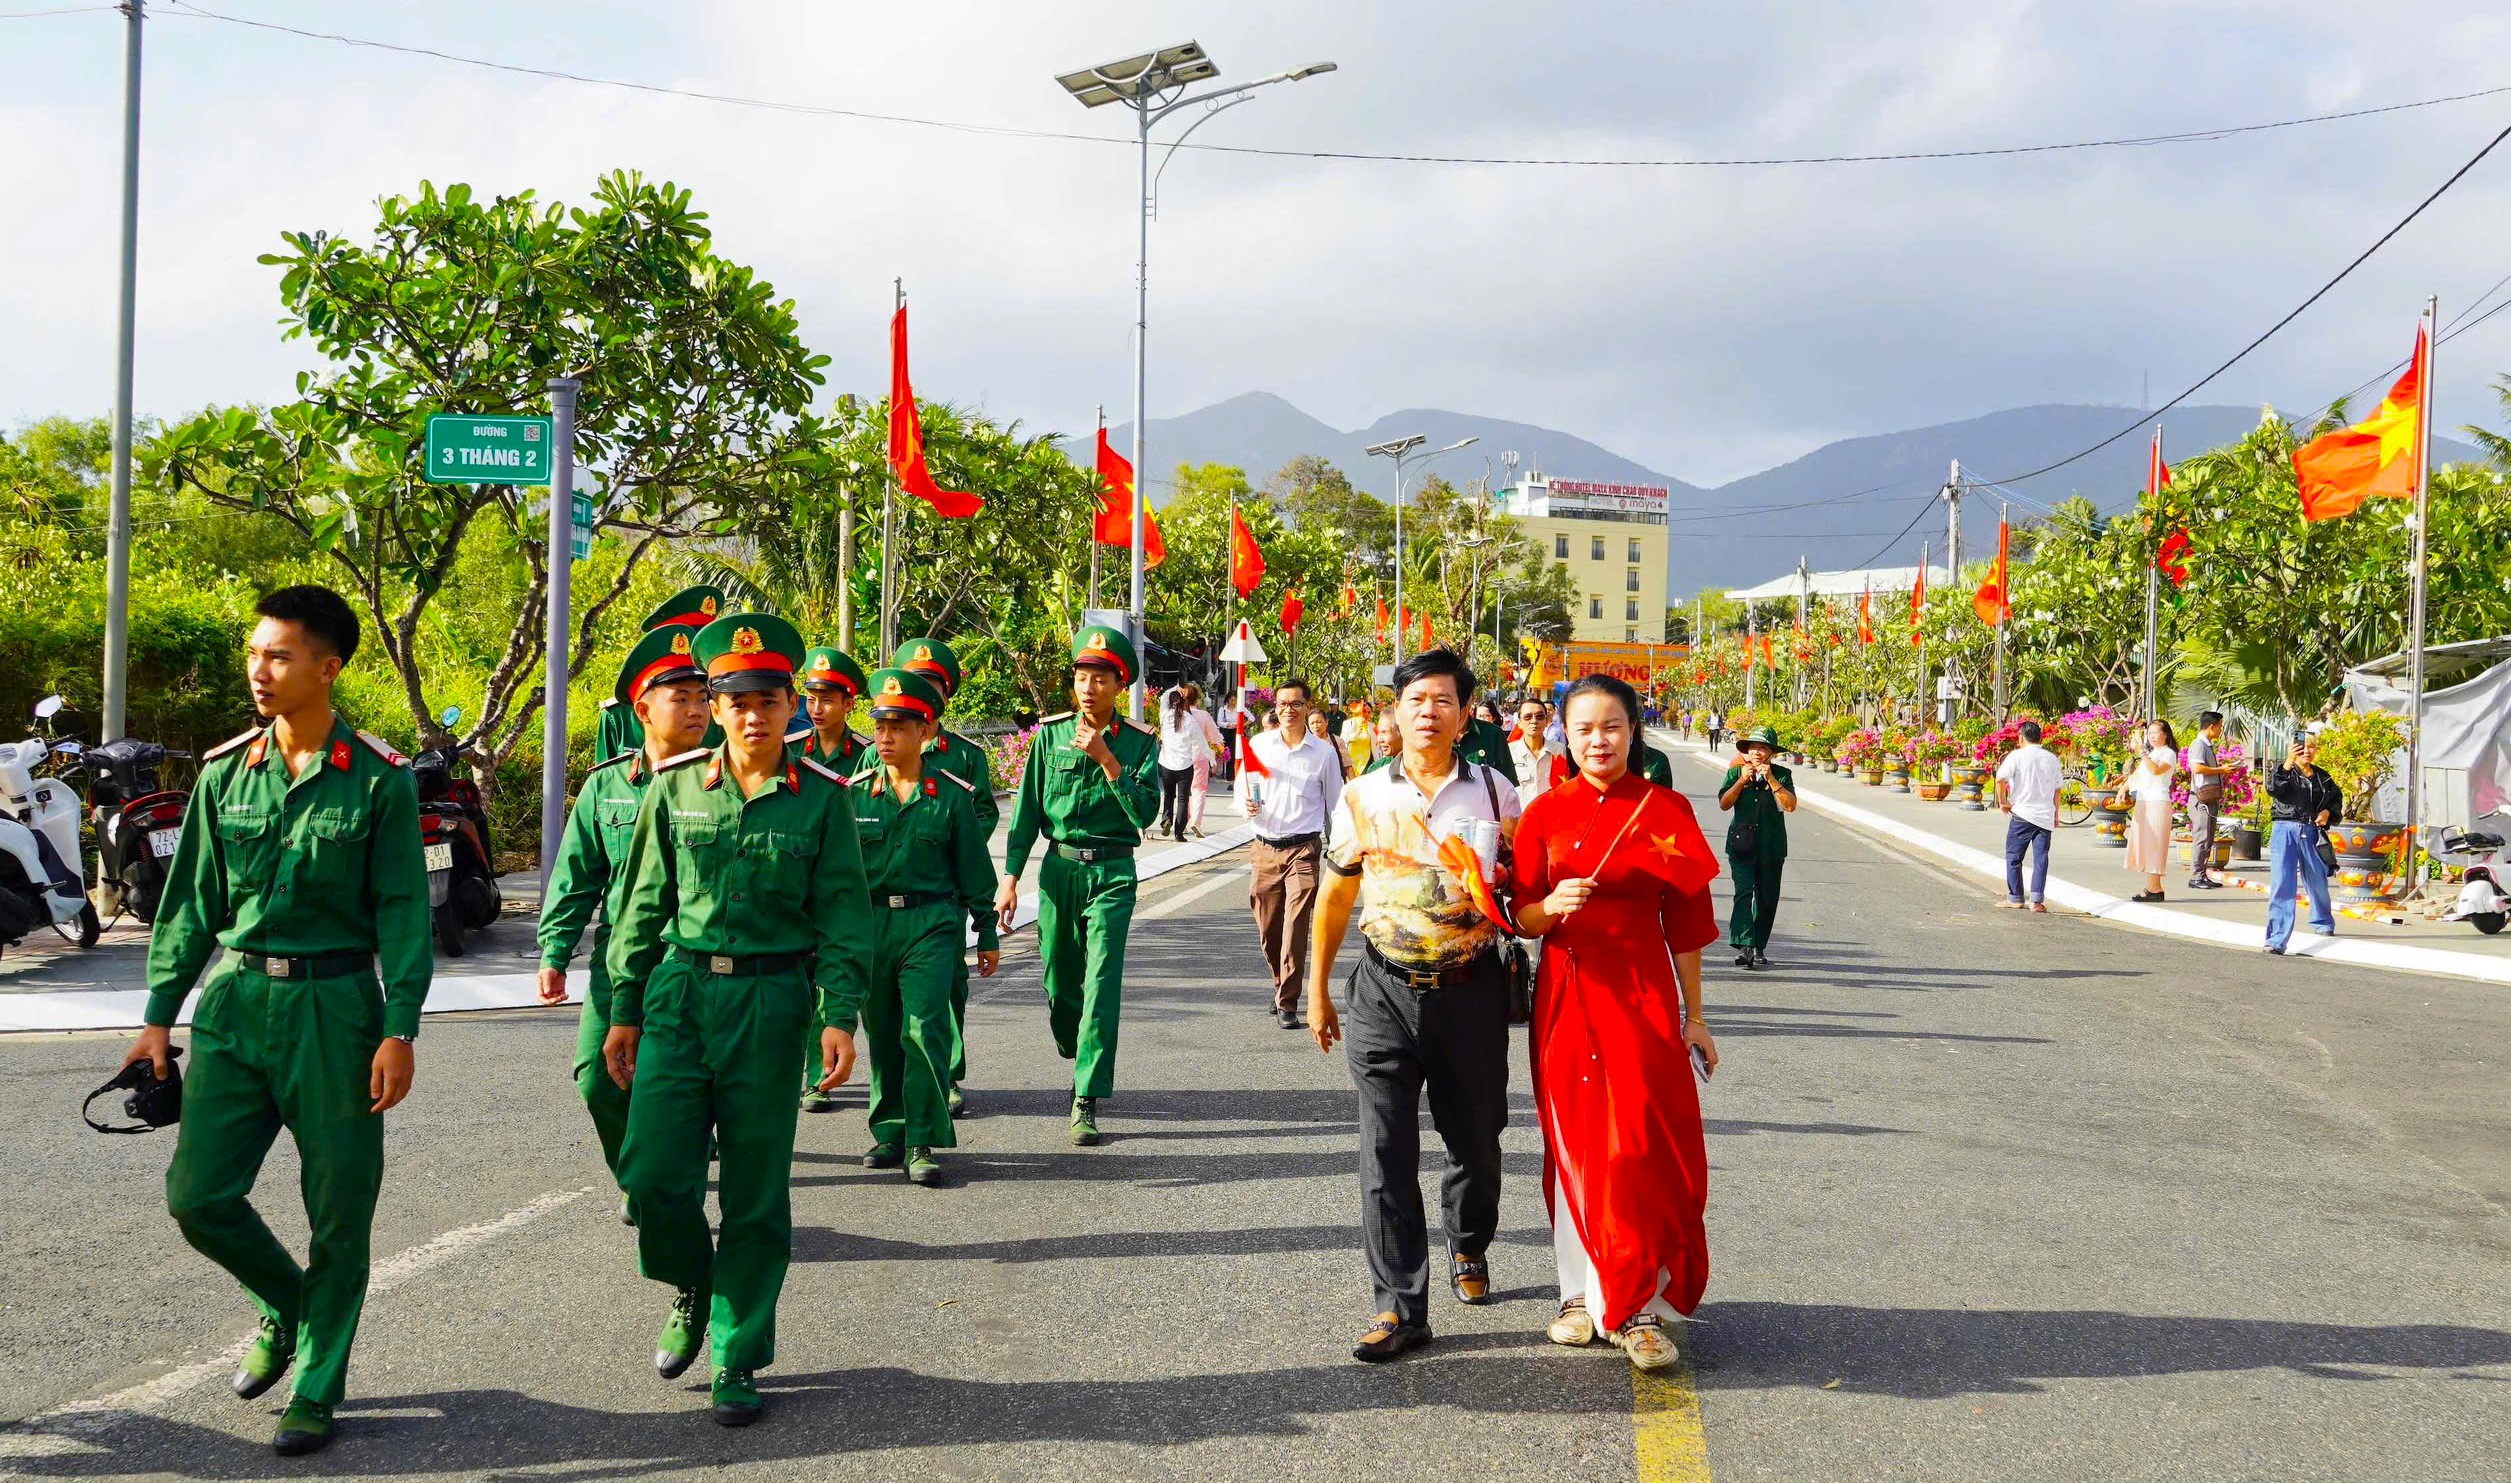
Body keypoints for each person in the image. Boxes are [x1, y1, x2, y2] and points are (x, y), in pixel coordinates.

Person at [120, 584, 431, 1456]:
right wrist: (157, 1018)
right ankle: (289, 1304)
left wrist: (399, 1027)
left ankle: (318, 1384)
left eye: (280, 655)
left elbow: (405, 911)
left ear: (327, 668)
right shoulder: (225, 773)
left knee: (338, 1207)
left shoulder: (379, 780)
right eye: (255, 652)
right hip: (234, 1003)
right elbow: (189, 907)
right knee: (198, 1196)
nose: (260, 670)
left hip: (337, 1009)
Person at [602, 611, 872, 1428]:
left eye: (767, 696)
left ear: (792, 703)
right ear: (714, 706)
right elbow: (643, 902)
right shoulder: (676, 785)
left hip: (770, 1000)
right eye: (733, 698)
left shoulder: (822, 801)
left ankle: (736, 1352)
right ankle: (694, 1278)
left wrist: (839, 1014)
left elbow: (841, 913)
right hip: (680, 995)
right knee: (651, 1174)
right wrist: (621, 1007)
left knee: (755, 1190)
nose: (751, 712)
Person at [1306, 646, 1521, 1363]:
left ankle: (1468, 1241)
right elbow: (1335, 895)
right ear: (1392, 712)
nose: (1427, 712)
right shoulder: (1364, 794)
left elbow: (1521, 890)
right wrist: (1315, 990)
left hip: (1471, 990)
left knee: (1477, 1141)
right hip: (1381, 989)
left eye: (1442, 701)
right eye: (1414, 699)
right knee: (1383, 1150)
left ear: (1463, 715)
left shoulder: (1495, 792)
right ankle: (1398, 1307)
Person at [1511, 674, 1720, 1371]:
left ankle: (1636, 1304)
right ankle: (1579, 1293)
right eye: (1583, 728)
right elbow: (1520, 915)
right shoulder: (1543, 812)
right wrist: (1552, 905)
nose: (1596, 739)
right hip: (1569, 993)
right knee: (1575, 1142)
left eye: (1611, 726)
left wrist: (1694, 1016)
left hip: (1644, 995)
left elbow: (1685, 922)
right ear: (1561, 735)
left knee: (1640, 1145)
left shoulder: (1666, 809)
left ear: (1633, 731)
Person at [539, 625, 711, 1209]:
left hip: (690, 959)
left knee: (679, 1090)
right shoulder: (606, 786)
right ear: (642, 708)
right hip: (619, 956)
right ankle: (639, 1179)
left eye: (703, 697)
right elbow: (576, 875)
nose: (696, 709)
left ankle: (669, 1198)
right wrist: (554, 953)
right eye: (680, 697)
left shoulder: (720, 783)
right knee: (598, 1078)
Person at [997, 624, 1163, 1147]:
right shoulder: (1049, 736)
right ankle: (1075, 1045)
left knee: (1100, 986)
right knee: (1060, 985)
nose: (1088, 687)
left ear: (1120, 684)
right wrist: (1010, 879)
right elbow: (1025, 814)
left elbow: (1146, 813)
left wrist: (1107, 760)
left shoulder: (1138, 744)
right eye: (1081, 676)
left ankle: (1086, 1095)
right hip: (1059, 871)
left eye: (1100, 678)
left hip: (1113, 871)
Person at [841, 667, 1000, 1187]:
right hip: (872, 926)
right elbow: (835, 874)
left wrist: (987, 931)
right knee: (883, 1030)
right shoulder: (855, 795)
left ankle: (921, 1138)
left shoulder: (950, 795)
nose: (885, 737)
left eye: (899, 727)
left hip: (932, 924)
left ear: (925, 731)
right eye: (880, 726)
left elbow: (975, 870)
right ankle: (888, 1130)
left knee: (924, 1026)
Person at [896, 638, 999, 1119]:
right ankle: (902, 1083)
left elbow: (982, 812)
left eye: (932, 684)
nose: (923, 689)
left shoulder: (964, 755)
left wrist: (951, 847)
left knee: (948, 983)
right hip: (894, 892)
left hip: (948, 888)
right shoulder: (880, 748)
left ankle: (949, 1072)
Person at [790, 645, 869, 1116]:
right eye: (811, 698)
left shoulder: (864, 756)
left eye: (828, 698)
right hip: (801, 882)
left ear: (848, 704)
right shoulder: (792, 750)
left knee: (833, 979)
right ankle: (808, 1077)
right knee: (800, 979)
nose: (817, 708)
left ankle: (828, 1065)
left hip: (844, 881)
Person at [1245, 679, 1346, 1030]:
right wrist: (1246, 806)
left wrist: (1344, 847)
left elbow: (1337, 803)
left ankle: (1288, 1001)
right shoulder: (1259, 745)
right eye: (1283, 704)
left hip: (1304, 849)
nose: (1289, 710)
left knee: (1295, 926)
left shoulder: (1323, 753)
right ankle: (1279, 984)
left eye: (1296, 704)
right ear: (1276, 706)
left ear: (1307, 707)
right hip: (1264, 847)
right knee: (1269, 930)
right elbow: (1243, 793)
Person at [596, 585, 725, 760]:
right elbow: (607, 781)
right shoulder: (618, 715)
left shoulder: (721, 709)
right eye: (685, 644)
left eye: (702, 647)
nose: (694, 656)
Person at [1716, 725, 1796, 969]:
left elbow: (1790, 805)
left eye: (1762, 748)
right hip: (1741, 846)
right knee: (1743, 892)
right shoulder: (1735, 774)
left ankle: (1758, 943)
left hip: (1771, 847)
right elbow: (1724, 803)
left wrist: (1771, 779)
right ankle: (1743, 945)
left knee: (1767, 897)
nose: (1757, 753)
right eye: (1753, 748)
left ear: (1771, 753)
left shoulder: (1782, 775)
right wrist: (1742, 781)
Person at [2263, 731, 2342, 954]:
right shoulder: (2284, 772)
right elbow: (2273, 789)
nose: (2306, 751)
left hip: (2311, 831)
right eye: (2302, 746)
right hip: (2284, 830)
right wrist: (2287, 763)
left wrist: (2327, 812)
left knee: (2317, 879)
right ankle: (2277, 939)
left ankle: (2323, 920)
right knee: (2282, 884)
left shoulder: (2323, 777)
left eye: (2311, 746)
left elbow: (2336, 800)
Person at [1994, 718, 2063, 912]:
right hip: (2045, 815)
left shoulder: (2017, 756)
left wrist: (2003, 801)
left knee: (2014, 857)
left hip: (2022, 813)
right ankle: (2037, 900)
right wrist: (2056, 814)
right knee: (2041, 858)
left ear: (2021, 738)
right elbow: (2057, 790)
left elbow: (2000, 779)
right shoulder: (2051, 758)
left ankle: (2016, 897)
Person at [2124, 719, 2180, 902]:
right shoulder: (2152, 753)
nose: (2152, 736)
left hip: (2158, 802)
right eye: (2149, 733)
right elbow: (2137, 776)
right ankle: (2152, 887)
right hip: (2144, 802)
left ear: (2166, 734)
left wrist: (2141, 753)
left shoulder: (2168, 754)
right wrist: (2121, 789)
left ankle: (2154, 888)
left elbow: (2156, 771)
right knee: (2146, 845)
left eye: (2156, 732)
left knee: (2155, 845)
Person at [2186, 711, 2230, 889]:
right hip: (2200, 799)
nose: (2221, 730)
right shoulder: (2199, 745)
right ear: (2211, 726)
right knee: (2202, 837)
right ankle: (2196, 876)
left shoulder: (2207, 745)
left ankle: (2202, 875)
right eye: (2220, 726)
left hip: (2208, 798)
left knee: (2208, 837)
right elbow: (2196, 768)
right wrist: (2221, 770)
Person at [1156, 685, 1204, 842]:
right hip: (1185, 766)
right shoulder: (1190, 719)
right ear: (1184, 702)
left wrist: (1174, 688)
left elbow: (1163, 697)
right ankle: (1179, 834)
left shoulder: (1164, 715)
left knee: (1169, 795)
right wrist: (1211, 758)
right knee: (1184, 799)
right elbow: (1201, 742)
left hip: (1166, 764)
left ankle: (1166, 819)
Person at [1456, 680, 1521, 787]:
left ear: (1472, 697)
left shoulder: (1493, 734)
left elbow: (1508, 784)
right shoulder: (1432, 734)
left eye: (1463, 695)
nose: (1458, 702)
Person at [1182, 683, 1225, 837]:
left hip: (1180, 757)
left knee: (1182, 791)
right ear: (1198, 699)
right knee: (1199, 789)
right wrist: (1220, 747)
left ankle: (1182, 823)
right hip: (1200, 755)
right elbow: (1214, 736)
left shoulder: (1177, 714)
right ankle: (1196, 822)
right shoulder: (1203, 715)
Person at [1508, 699, 1555, 801]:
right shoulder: (1508, 752)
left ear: (1546, 721)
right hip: (1520, 815)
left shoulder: (1561, 751)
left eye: (1539, 716)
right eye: (1528, 717)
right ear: (1519, 723)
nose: (1534, 721)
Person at [1307, 708, 1350, 780]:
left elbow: (1348, 767)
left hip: (1334, 782)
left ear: (1326, 722)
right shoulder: (1307, 743)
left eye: (1318, 722)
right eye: (1312, 723)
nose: (1316, 726)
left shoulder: (1337, 741)